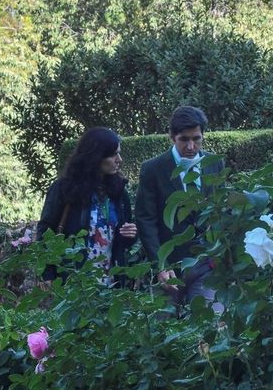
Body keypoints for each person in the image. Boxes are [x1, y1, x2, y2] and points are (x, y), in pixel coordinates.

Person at [136, 105, 224, 293]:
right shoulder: (153, 169)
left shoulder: (215, 163)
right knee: (163, 322)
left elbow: (221, 210)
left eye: (196, 139)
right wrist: (160, 264)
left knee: (210, 321)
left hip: (206, 265)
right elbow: (146, 220)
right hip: (170, 267)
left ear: (203, 136)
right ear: (172, 137)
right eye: (184, 139)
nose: (191, 146)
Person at [37, 126, 137, 280]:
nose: (119, 160)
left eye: (119, 153)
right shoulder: (65, 189)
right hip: (73, 282)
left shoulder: (119, 192)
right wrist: (47, 274)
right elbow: (46, 231)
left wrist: (128, 235)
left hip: (111, 283)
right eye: (113, 155)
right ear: (96, 157)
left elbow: (122, 241)